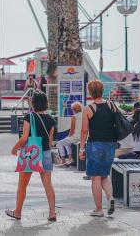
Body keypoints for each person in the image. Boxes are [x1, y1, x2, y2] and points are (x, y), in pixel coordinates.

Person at [6, 92, 57, 223]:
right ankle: (52, 212)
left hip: (31, 153)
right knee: (48, 185)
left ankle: (17, 212)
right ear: (46, 103)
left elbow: (24, 138)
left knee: (22, 185)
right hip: (45, 152)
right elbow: (51, 141)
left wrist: (14, 148)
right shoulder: (51, 119)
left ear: (33, 103)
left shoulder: (29, 117)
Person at [79, 79, 117, 218]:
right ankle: (110, 197)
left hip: (95, 144)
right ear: (102, 91)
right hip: (110, 144)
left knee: (95, 177)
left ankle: (99, 209)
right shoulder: (111, 105)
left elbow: (84, 131)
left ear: (90, 92)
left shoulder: (88, 109)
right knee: (104, 175)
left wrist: (81, 149)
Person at [54, 102, 83, 166]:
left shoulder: (74, 117)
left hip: (75, 137)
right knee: (67, 142)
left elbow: (72, 131)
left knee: (59, 143)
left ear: (73, 109)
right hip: (82, 137)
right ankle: (70, 158)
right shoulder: (84, 115)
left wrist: (68, 136)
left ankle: (63, 160)